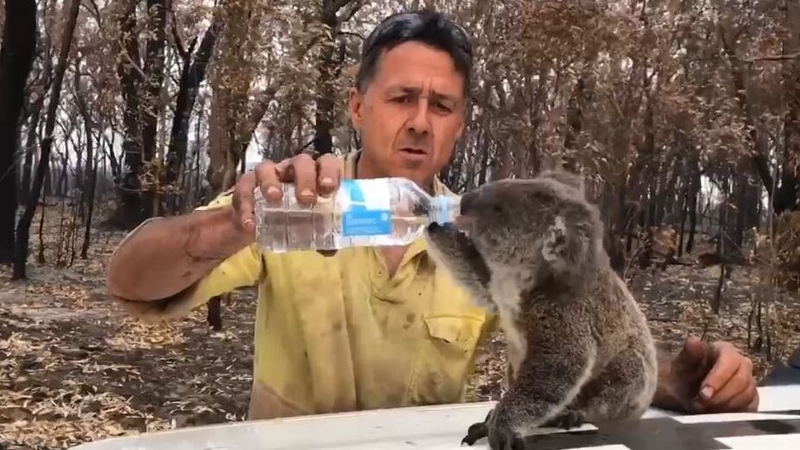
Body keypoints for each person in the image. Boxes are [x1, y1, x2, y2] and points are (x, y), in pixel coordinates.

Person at [106, 10, 759, 421]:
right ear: (358, 108)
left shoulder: (497, 234)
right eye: (401, 98)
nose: (419, 121)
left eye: (441, 106)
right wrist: (230, 226)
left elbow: (584, 342)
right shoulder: (298, 201)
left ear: (460, 124)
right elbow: (131, 280)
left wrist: (688, 383)